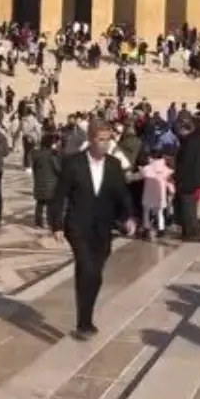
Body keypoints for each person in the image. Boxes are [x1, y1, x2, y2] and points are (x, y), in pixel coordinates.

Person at [50, 121, 135, 339]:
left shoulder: (114, 165)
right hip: (77, 225)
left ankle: (85, 318)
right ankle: (83, 323)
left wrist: (128, 217)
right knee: (87, 267)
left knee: (95, 275)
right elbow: (59, 195)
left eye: (108, 140)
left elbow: (122, 195)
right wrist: (57, 224)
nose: (104, 144)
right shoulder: (73, 164)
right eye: (100, 139)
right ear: (90, 139)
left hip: (103, 227)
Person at [29, 132, 61, 229]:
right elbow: (57, 169)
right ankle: (50, 221)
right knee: (51, 204)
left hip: (39, 182)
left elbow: (34, 168)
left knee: (40, 204)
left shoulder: (36, 154)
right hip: (51, 184)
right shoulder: (52, 155)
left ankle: (38, 222)